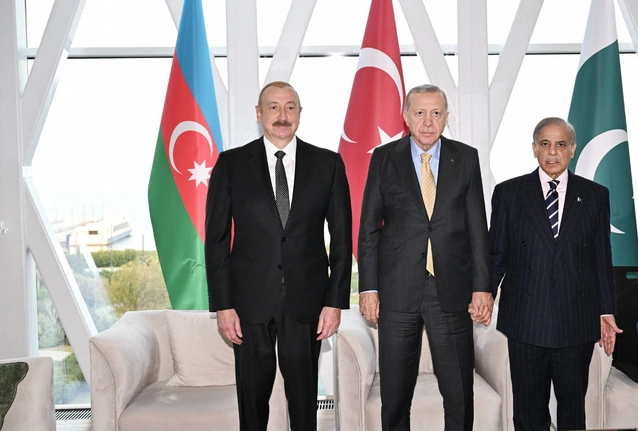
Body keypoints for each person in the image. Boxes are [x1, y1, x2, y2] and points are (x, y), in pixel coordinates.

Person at [205, 81, 352, 431]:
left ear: (300, 113)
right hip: (248, 301)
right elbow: (216, 241)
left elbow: (342, 241)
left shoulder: (328, 164)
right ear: (259, 114)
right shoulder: (230, 164)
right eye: (273, 107)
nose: (282, 115)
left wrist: (334, 303)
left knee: (303, 402)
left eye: (290, 107)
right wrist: (223, 306)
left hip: (307, 302)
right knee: (252, 401)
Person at [357, 84, 493, 431]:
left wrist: (482, 287)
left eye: (436, 113)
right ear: (406, 116)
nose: (428, 122)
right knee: (395, 396)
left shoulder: (465, 158)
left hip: (451, 292)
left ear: (446, 117)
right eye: (420, 113)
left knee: (459, 395)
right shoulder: (384, 158)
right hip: (397, 291)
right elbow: (369, 228)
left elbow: (478, 228)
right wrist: (368, 288)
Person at [489, 117, 621, 431]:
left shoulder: (594, 195)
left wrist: (606, 311)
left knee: (573, 409)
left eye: (561, 144)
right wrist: (484, 294)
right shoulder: (509, 193)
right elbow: (496, 256)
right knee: (528, 411)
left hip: (576, 320)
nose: (552, 152)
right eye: (545, 144)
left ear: (572, 149)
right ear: (534, 148)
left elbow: (601, 259)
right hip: (525, 320)